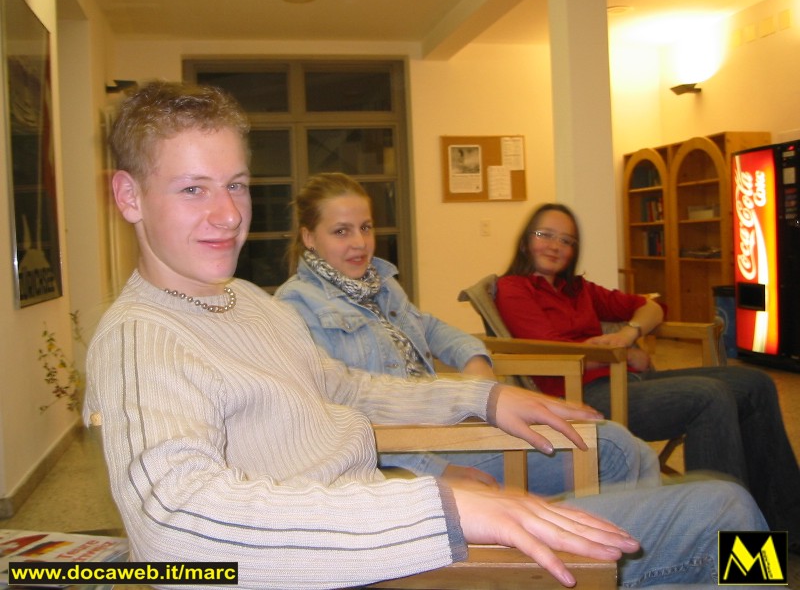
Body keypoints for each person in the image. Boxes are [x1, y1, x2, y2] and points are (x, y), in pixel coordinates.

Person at [83, 81, 767, 589]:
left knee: (714, 514)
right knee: (723, 516)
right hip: (379, 561)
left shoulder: (249, 305)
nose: (229, 214)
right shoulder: (143, 338)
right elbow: (175, 527)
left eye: (235, 185)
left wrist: (484, 398)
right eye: (193, 189)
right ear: (128, 196)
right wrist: (442, 504)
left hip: (394, 533)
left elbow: (348, 387)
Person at [275, 172, 660, 495]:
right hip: (400, 458)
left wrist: (475, 359)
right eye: (341, 231)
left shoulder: (381, 283)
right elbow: (339, 422)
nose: (359, 243)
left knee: (636, 451)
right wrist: (440, 471)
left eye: (365, 227)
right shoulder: (296, 306)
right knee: (612, 449)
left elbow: (430, 327)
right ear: (309, 237)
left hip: (443, 426)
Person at [494, 201, 799, 549]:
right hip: (578, 396)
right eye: (545, 235)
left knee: (755, 383)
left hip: (625, 380)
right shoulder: (514, 288)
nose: (555, 246)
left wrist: (630, 333)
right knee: (709, 397)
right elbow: (549, 351)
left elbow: (651, 306)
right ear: (526, 240)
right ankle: (725, 544)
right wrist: (621, 355)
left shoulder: (579, 290)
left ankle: (787, 525)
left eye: (566, 240)